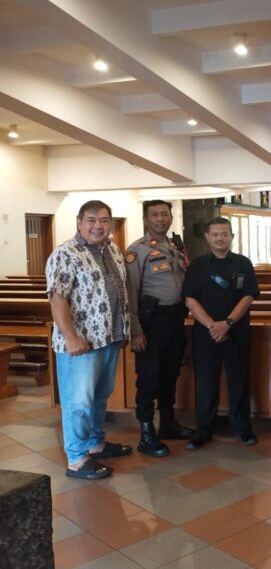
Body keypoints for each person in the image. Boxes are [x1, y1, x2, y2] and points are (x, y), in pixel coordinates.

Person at [46, 200, 132, 480]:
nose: (98, 226)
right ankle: (77, 458)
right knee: (79, 402)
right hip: (80, 345)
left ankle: (96, 444)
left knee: (100, 396)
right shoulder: (65, 253)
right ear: (79, 222)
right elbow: (57, 297)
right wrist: (71, 338)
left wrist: (123, 330)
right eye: (92, 220)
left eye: (104, 220)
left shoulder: (113, 250)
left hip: (109, 339)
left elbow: (119, 292)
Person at [182, 217, 260, 450]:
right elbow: (190, 299)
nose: (220, 238)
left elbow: (248, 296)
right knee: (206, 384)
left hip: (237, 332)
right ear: (207, 237)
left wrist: (227, 323)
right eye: (215, 234)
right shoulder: (196, 266)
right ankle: (203, 431)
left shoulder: (243, 263)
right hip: (206, 334)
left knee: (239, 382)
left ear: (232, 236)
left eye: (224, 234)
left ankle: (242, 429)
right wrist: (212, 326)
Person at [125, 200, 193, 458]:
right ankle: (146, 432)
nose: (160, 219)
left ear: (171, 217)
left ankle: (167, 423)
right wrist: (135, 330)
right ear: (146, 219)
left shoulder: (176, 246)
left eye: (165, 214)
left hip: (175, 320)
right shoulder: (137, 251)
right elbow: (130, 293)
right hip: (151, 323)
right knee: (149, 378)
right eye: (154, 215)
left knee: (170, 373)